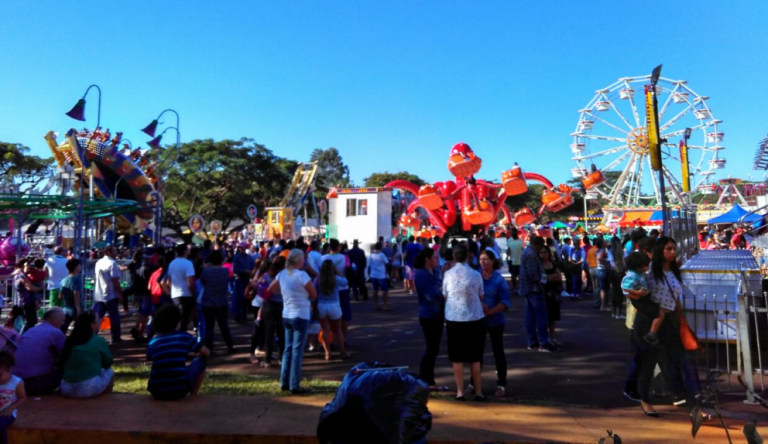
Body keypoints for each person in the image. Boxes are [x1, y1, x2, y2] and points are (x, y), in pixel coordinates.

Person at [631, 237, 688, 415]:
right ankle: (645, 400)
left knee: (673, 360)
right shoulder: (648, 274)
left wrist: (679, 317)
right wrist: (655, 310)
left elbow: (676, 297)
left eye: (674, 249)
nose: (673, 252)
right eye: (669, 249)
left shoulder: (675, 271)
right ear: (660, 250)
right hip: (649, 322)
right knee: (648, 363)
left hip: (669, 322)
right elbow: (633, 295)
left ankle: (683, 398)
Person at [268, 249, 317, 395]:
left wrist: (285, 293)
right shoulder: (302, 275)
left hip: (287, 314)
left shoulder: (283, 274)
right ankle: (294, 384)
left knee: (287, 349)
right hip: (300, 314)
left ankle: (284, 381)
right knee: (297, 351)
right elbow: (313, 294)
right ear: (299, 261)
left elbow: (271, 288)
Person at [442, 243, 486, 401]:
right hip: (474, 317)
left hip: (454, 318)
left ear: (454, 256)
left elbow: (445, 294)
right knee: (475, 357)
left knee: (457, 357)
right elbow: (481, 295)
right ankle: (479, 391)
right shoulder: (476, 274)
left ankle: (460, 392)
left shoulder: (448, 274)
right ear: (469, 256)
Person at [147, 304, 209, 400]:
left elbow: (150, 356)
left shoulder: (153, 341)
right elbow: (206, 352)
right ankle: (193, 394)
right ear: (177, 321)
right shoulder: (185, 337)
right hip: (179, 389)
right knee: (202, 360)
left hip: (156, 391)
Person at [59, 311, 114, 398]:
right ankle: (107, 399)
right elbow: (108, 362)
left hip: (65, 388)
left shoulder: (70, 340)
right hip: (88, 389)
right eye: (98, 320)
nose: (100, 321)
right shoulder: (99, 341)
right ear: (92, 324)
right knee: (110, 371)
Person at [479, 249, 511, 398]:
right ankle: (474, 383)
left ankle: (501, 384)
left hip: (496, 320)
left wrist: (490, 311)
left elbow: (505, 302)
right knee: (476, 353)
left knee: (498, 351)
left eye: (486, 259)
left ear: (493, 261)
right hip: (478, 321)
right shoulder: (476, 277)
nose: (483, 262)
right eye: (481, 259)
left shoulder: (499, 280)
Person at [14, 308, 66, 395]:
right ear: (53, 319)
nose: (63, 323)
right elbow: (65, 356)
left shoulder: (31, 331)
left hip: (17, 382)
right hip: (36, 384)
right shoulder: (56, 332)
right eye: (62, 320)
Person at [414, 248, 444, 390]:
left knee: (434, 348)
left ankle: (428, 378)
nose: (437, 260)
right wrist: (443, 291)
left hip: (437, 314)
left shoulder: (435, 272)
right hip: (428, 315)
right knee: (431, 347)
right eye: (434, 258)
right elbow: (430, 296)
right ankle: (425, 378)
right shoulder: (421, 274)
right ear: (427, 259)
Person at [521, 236, 558, 352]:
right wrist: (541, 286)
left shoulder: (526, 252)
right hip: (534, 289)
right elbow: (533, 275)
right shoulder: (531, 255)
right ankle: (543, 342)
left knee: (530, 316)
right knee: (541, 316)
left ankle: (532, 341)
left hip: (528, 289)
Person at [199, 250, 235, 353]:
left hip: (208, 301)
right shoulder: (224, 271)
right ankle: (230, 345)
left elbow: (202, 281)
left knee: (209, 326)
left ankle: (210, 347)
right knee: (223, 325)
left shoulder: (206, 271)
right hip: (222, 301)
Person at [314, 260, 350, 361]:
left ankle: (327, 353)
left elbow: (313, 291)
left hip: (322, 305)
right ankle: (342, 351)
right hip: (334, 305)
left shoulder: (318, 279)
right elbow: (345, 282)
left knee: (325, 330)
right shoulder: (336, 279)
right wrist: (337, 272)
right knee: (338, 329)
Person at [322, 239, 352, 340]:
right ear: (338, 247)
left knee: (329, 317)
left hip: (328, 288)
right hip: (343, 287)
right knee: (344, 315)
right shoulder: (345, 257)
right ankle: (343, 338)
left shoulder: (323, 258)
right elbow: (349, 270)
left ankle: (331, 339)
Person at [93, 245, 124, 344]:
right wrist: (120, 293)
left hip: (99, 295)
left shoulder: (98, 262)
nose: (117, 252)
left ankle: (92, 336)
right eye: (115, 250)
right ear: (109, 252)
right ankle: (116, 338)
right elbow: (115, 280)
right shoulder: (112, 263)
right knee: (114, 317)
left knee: (97, 317)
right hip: (111, 295)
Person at [165, 244, 196, 332]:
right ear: (185, 251)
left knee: (180, 318)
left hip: (175, 295)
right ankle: (180, 338)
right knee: (184, 319)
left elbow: (168, 281)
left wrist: (173, 289)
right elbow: (190, 283)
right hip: (186, 294)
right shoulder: (188, 263)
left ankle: (178, 334)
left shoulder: (172, 263)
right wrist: (194, 294)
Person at [0, 351, 26, 444]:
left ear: (10, 370)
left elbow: (22, 398)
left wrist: (10, 409)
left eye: (0, 374)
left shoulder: (17, 382)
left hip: (7, 413)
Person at [540, 246, 563, 347]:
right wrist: (552, 277)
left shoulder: (553, 264)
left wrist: (549, 278)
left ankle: (553, 337)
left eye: (545, 252)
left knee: (553, 317)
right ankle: (544, 338)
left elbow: (559, 277)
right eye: (541, 252)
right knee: (544, 317)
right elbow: (541, 279)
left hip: (554, 293)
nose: (543, 255)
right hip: (543, 293)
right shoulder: (539, 265)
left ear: (549, 254)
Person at [13, 260, 41, 332]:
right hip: (27, 302)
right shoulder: (22, 276)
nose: (30, 268)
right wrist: (41, 287)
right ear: (23, 266)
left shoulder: (17, 275)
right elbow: (31, 288)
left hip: (23, 301)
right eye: (28, 266)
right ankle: (22, 337)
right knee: (31, 321)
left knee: (29, 321)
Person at [232, 242, 256, 323]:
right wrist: (244, 271)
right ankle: (238, 315)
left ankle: (244, 315)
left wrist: (251, 272)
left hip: (246, 280)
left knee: (246, 298)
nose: (241, 249)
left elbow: (253, 268)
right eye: (240, 248)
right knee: (239, 298)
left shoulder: (250, 258)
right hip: (239, 280)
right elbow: (234, 269)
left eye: (243, 247)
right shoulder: (236, 257)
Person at [60, 259, 83, 332]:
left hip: (66, 308)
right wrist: (79, 309)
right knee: (81, 329)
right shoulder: (77, 280)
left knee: (63, 329)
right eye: (79, 265)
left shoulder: (63, 280)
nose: (80, 267)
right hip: (75, 308)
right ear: (76, 267)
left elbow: (60, 296)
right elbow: (76, 294)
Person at [368, 242, 390, 311]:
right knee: (385, 291)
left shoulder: (372, 255)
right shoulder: (381, 255)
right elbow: (387, 263)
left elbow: (370, 264)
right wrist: (388, 272)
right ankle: (385, 305)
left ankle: (376, 305)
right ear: (381, 247)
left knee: (375, 290)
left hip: (374, 274)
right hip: (381, 275)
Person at [595, 238, 611, 311]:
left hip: (600, 270)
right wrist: (606, 265)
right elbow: (599, 258)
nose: (606, 242)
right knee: (604, 289)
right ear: (601, 243)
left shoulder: (601, 250)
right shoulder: (601, 250)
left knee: (604, 288)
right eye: (604, 241)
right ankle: (603, 305)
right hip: (603, 270)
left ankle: (604, 305)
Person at [506, 228, 524, 293]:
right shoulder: (520, 241)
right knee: (518, 275)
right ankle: (517, 288)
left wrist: (507, 258)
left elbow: (508, 252)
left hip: (513, 260)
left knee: (514, 275)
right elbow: (523, 251)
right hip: (518, 260)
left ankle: (515, 288)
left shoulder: (510, 242)